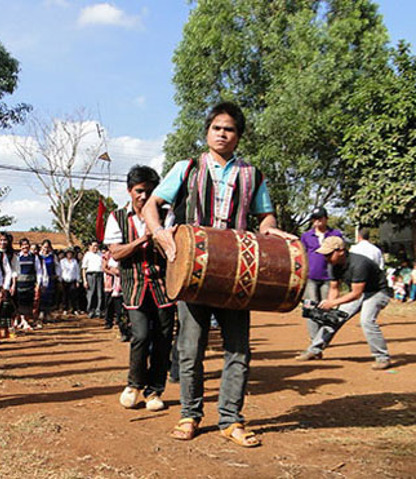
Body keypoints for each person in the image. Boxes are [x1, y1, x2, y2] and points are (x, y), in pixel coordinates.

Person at [143, 102, 294, 447]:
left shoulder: (252, 174)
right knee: (190, 348)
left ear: (238, 136)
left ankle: (230, 419)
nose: (222, 134)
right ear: (208, 131)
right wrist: (159, 234)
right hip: (192, 271)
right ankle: (190, 415)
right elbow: (152, 204)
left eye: (229, 129)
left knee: (238, 349)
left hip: (238, 272)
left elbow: (265, 216)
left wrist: (271, 230)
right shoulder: (187, 168)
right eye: (217, 128)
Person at [104, 165, 176, 412]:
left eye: (150, 191)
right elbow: (116, 252)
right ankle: (133, 384)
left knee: (163, 339)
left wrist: (158, 236)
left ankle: (155, 391)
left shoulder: (167, 215)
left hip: (164, 286)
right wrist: (142, 239)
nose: (144, 196)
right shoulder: (116, 217)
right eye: (139, 191)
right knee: (141, 336)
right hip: (134, 286)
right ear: (129, 191)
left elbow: (173, 249)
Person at [296, 236, 393, 370]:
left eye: (329, 254)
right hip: (360, 292)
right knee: (334, 318)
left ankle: (382, 358)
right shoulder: (333, 265)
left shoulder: (359, 264)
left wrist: (333, 303)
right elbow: (334, 288)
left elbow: (356, 293)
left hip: (378, 292)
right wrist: (330, 305)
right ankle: (314, 350)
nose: (326, 258)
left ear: (340, 251)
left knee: (367, 321)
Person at [300, 207, 343, 342]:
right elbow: (302, 255)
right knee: (312, 309)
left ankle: (324, 337)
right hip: (311, 277)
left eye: (320, 219)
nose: (317, 222)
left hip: (329, 277)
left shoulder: (335, 234)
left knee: (327, 308)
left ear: (326, 219)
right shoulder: (306, 236)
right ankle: (314, 339)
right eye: (314, 219)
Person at [15, 238, 43, 330]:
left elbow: (39, 271)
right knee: (20, 303)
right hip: (19, 284)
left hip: (30, 284)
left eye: (26, 244)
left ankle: (25, 321)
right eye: (23, 245)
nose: (25, 247)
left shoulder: (34, 257)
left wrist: (38, 284)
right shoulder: (17, 257)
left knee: (29, 303)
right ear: (20, 246)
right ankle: (23, 321)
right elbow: (15, 271)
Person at [38, 239, 61, 323]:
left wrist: (57, 275)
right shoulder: (38, 256)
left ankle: (48, 314)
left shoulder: (52, 256)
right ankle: (40, 314)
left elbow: (57, 266)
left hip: (50, 279)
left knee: (49, 296)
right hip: (41, 279)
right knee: (41, 296)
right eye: (44, 247)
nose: (46, 249)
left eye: (48, 247)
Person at [82, 241, 103, 318]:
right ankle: (90, 310)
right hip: (90, 275)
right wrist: (84, 280)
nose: (95, 247)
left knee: (99, 294)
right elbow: (84, 268)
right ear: (90, 246)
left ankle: (98, 310)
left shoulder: (101, 254)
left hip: (100, 275)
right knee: (91, 294)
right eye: (94, 246)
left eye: (97, 246)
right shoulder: (87, 255)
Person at [60, 249, 80, 316]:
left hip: (72, 280)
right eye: (68, 253)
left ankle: (74, 309)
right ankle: (65, 309)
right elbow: (60, 271)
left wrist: (78, 280)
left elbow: (77, 271)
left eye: (71, 253)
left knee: (73, 295)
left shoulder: (75, 261)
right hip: (64, 280)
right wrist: (60, 280)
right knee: (65, 295)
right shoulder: (62, 261)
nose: (69, 255)